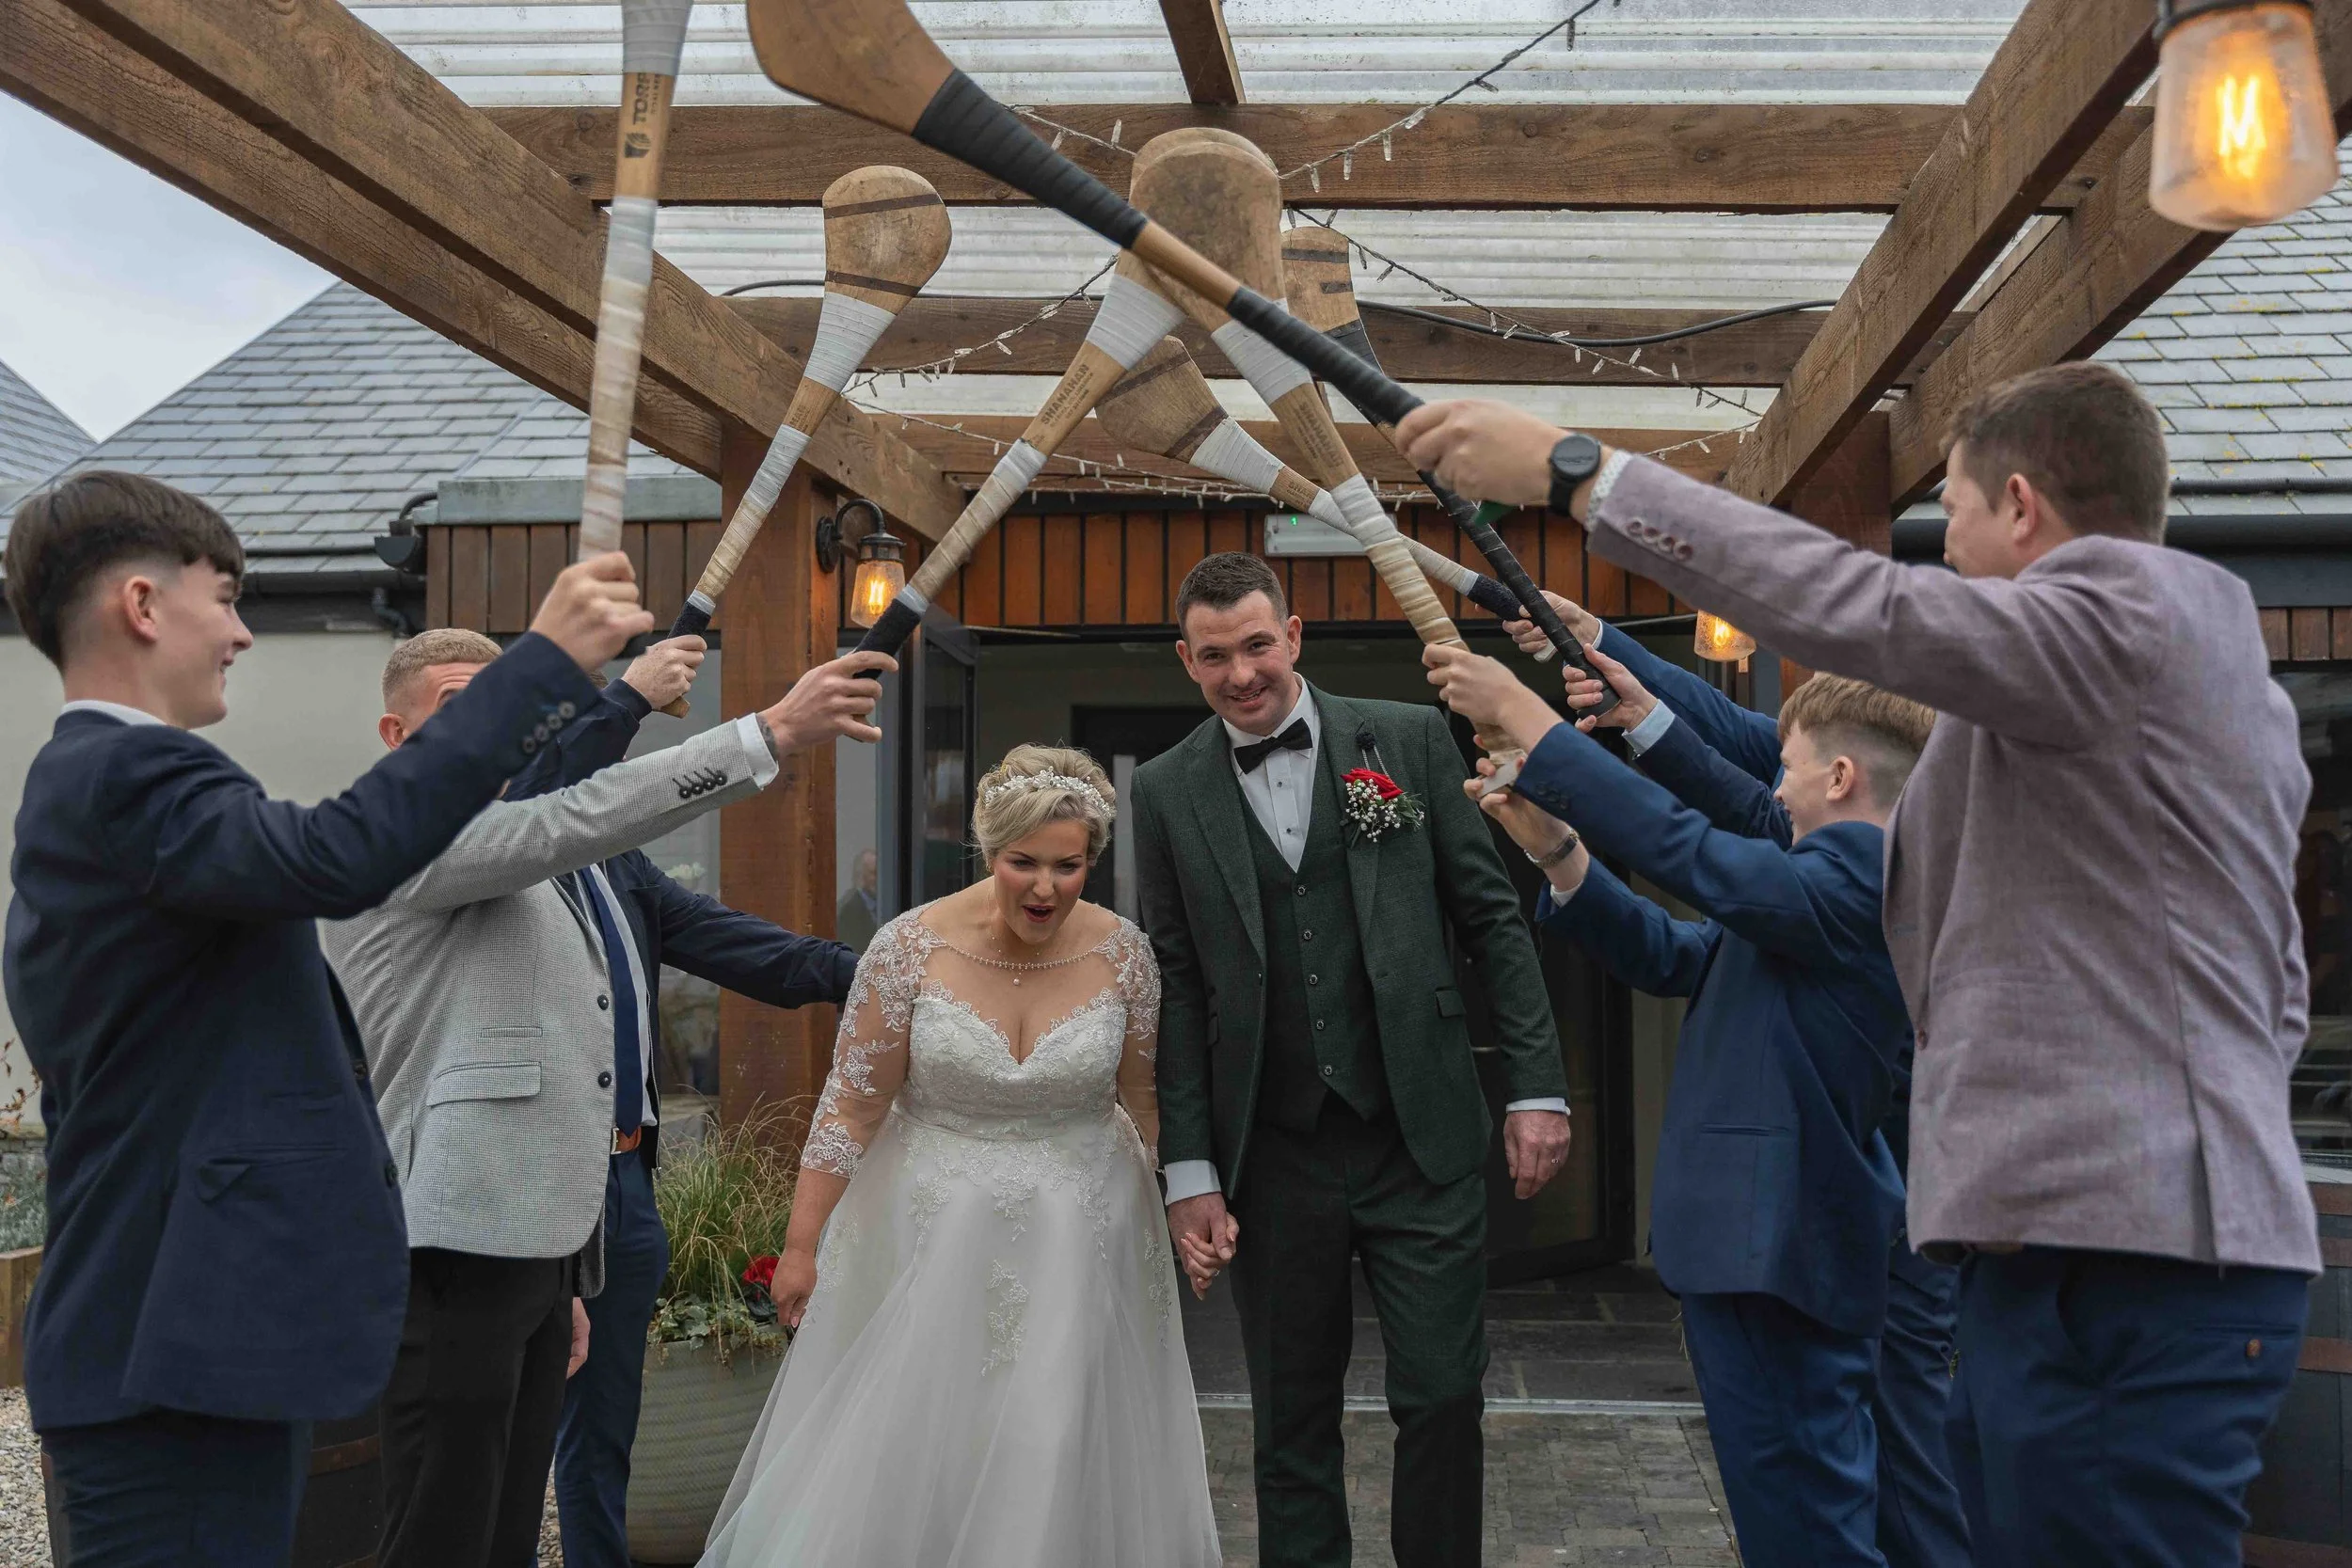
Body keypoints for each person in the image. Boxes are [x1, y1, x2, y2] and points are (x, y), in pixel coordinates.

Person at [1399, 360, 2317, 1565]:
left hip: (2132, 1254)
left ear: (2021, 504)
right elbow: (1790, 791)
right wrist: (1623, 668)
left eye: (1956, 515)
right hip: (2051, 1243)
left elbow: (1863, 624)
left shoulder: (2129, 620)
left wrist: (1580, 473)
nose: (1943, 557)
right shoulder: (2071, 713)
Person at [5, 471, 647, 1566]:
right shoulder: (128, 773)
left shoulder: (109, 782)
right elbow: (338, 854)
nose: (244, 633)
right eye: (225, 596)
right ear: (143, 605)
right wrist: (541, 663)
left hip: (199, 1336)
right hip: (170, 1343)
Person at [324, 629, 889, 1568]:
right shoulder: (391, 832)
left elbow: (578, 833)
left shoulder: (547, 854)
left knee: (507, 1519)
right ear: (396, 732)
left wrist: (888, 967)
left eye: (499, 706)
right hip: (452, 1238)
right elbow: (568, 811)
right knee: (440, 1521)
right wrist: (770, 729)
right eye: (457, 704)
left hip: (554, 1233)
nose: (485, 728)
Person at [1430, 635, 1931, 1565]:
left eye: (1787, 770)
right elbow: (1671, 953)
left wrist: (1532, 720)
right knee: (1799, 1515)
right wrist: (1561, 850)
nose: (1773, 792)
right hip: (1764, 1249)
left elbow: (1685, 845)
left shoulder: (1864, 880)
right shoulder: (1809, 893)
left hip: (1778, 1249)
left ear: (1844, 775)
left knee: (1804, 1528)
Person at [1130, 552, 1570, 1568]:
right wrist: (1189, 1170)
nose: (1240, 672)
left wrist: (1537, 1087)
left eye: (1254, 644)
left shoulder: (1408, 739)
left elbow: (1492, 919)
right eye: (1213, 656)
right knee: (1288, 1419)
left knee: (1444, 1393)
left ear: (1292, 635)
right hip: (1273, 1151)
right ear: (1185, 659)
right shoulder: (1164, 789)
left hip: (1419, 1135)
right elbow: (1179, 986)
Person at [699, 746, 1220, 1566]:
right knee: (921, 1428)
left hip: (1083, 1229)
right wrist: (801, 1247)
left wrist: (1194, 1200)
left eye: (1068, 865)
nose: (1045, 887)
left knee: (1052, 1425)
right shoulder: (909, 946)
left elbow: (1148, 1101)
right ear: (987, 850)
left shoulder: (1126, 955)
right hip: (929, 1227)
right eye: (1024, 864)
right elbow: (851, 1105)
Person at [494, 638, 862, 1568]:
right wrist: (627, 696)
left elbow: (753, 955)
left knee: (603, 1432)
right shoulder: (482, 847)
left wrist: (897, 971)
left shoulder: (620, 866)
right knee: (493, 1432)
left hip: (625, 1186)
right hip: (523, 1185)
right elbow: (536, 795)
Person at [837, 847, 882, 953]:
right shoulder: (849, 910)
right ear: (861, 876)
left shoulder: (882, 904)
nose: (879, 878)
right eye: (874, 873)